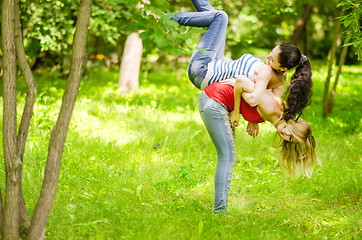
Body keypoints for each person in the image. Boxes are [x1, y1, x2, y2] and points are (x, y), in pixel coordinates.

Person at [170, 0, 313, 120]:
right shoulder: (275, 75)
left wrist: (239, 83)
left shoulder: (267, 74)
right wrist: (254, 121)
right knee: (218, 18)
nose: (268, 57)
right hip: (215, 63)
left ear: (283, 68)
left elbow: (258, 100)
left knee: (221, 17)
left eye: (272, 58)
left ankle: (166, 19)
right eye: (271, 52)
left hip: (202, 70)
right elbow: (266, 102)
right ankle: (166, 18)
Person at [199, 76, 317, 214]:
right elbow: (241, 81)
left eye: (289, 139)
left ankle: (220, 209)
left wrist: (253, 120)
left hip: (215, 100)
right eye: (290, 132)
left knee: (228, 154)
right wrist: (236, 111)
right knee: (227, 156)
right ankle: (219, 212)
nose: (285, 135)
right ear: (293, 124)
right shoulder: (273, 108)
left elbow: (256, 98)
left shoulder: (275, 115)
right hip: (214, 100)